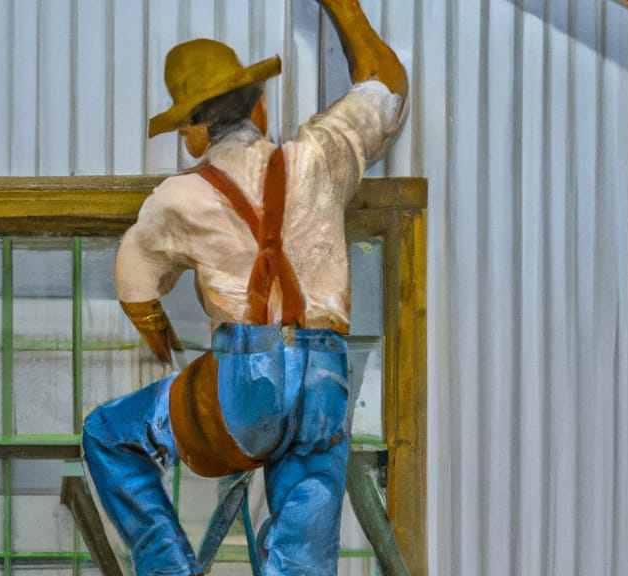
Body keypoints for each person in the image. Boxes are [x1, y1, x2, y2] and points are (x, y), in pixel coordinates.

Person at [81, 1, 408, 575]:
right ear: (259, 103)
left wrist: (158, 335)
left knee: (110, 435)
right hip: (324, 378)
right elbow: (388, 87)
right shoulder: (318, 158)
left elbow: (135, 281)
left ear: (193, 132)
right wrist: (344, 8)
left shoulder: (178, 197)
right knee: (302, 557)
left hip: (245, 387)